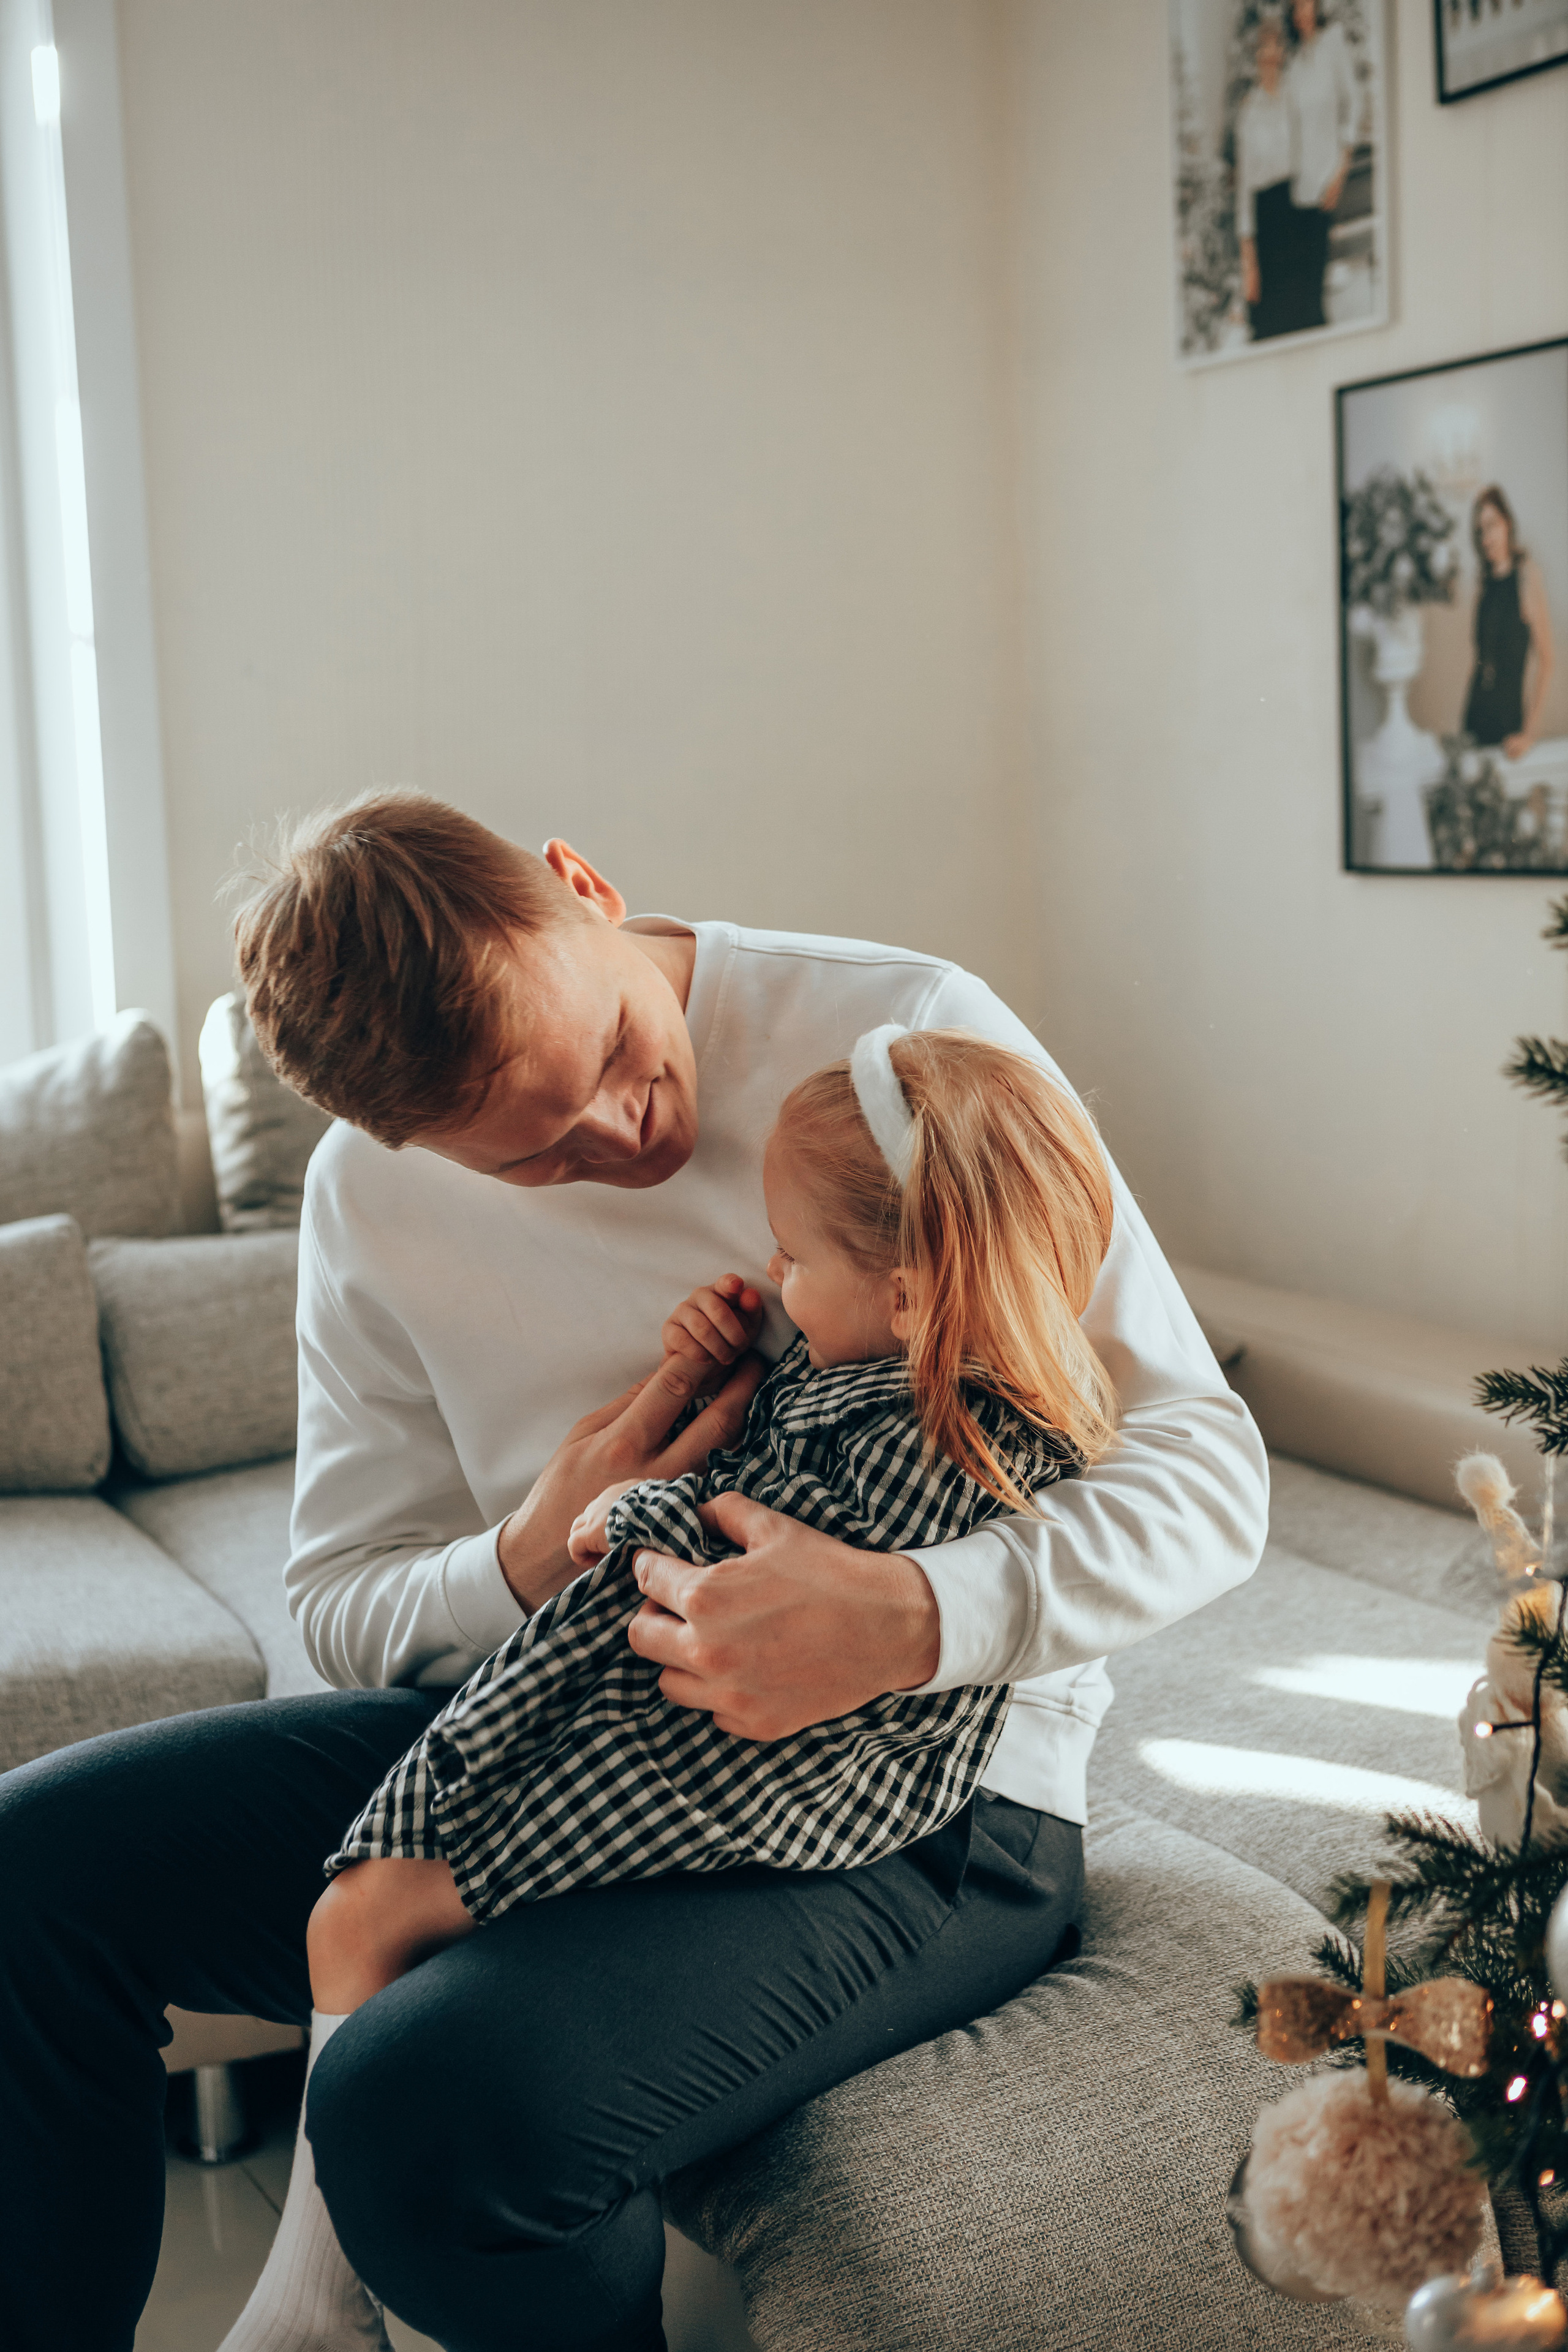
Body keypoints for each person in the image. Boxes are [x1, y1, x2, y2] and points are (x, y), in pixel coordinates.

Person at [0, 793, 1268, 2352]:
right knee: (30, 1875)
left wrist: (908, 1615)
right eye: (534, 1158)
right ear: (407, 1146)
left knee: (425, 2116)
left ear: (582, 887)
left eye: (610, 1052)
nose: (624, 1135)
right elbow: (339, 1603)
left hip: (915, 1788)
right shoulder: (366, 1201)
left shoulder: (900, 1035)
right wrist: (531, 1548)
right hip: (573, 1719)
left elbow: (1204, 1467)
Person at [221, 1023, 1117, 2351]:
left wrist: (636, 1514)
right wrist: (707, 1369)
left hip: (780, 1774)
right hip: (701, 1723)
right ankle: (319, 2304)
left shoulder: (955, 1439)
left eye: (792, 1256)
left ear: (909, 1296)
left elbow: (771, 1563)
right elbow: (776, 1477)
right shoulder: (864, 1370)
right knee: (351, 1909)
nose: (772, 1276)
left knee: (371, 1912)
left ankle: (316, 2307)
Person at [1463, 484, 1556, 761]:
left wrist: (1529, 733)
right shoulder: (1483, 584)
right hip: (1473, 721)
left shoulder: (1527, 578)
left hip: (1508, 729)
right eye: (1480, 530)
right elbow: (1480, 661)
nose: (1486, 538)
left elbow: (1547, 661)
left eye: (1492, 525)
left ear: (1508, 523)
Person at [1280, 0, 1356, 334]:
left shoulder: (1334, 45)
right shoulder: (1294, 63)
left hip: (1328, 174)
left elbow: (1351, 104)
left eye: (1306, 4)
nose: (1301, 12)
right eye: (1295, 7)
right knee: (1302, 280)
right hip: (1298, 182)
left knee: (1316, 270)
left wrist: (1341, 169)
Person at [1237, 13, 1296, 342]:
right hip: (1267, 216)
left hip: (1297, 208)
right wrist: (1248, 259)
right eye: (1263, 48)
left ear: (1283, 53)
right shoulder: (1250, 111)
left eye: (1275, 47)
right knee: (1269, 320)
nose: (1269, 55)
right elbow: (1245, 185)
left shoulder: (1295, 100)